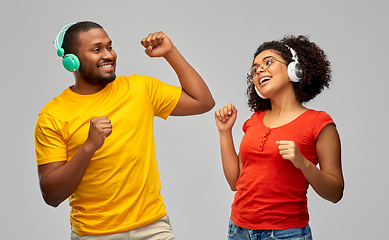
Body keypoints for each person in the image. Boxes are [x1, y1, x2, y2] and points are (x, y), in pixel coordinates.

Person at [34, 21, 214, 239]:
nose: (108, 55)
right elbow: (51, 195)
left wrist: (170, 53)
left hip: (154, 227)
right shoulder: (53, 115)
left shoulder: (140, 89)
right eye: (96, 49)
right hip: (95, 234)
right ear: (72, 61)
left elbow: (203, 101)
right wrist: (89, 147)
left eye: (109, 47)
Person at [214, 35, 344, 240]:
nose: (259, 70)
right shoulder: (254, 121)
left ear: (294, 70)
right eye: (255, 68)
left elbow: (335, 193)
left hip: (286, 234)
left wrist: (303, 163)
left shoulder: (318, 123)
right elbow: (235, 182)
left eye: (268, 63)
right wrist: (224, 133)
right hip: (238, 230)